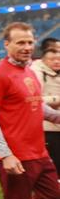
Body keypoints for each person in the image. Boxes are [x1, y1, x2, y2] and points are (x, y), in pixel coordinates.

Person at [0, 22, 60, 199]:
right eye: (20, 43)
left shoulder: (29, 71)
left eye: (30, 42)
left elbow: (36, 104)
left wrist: (57, 117)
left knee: (53, 195)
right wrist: (6, 154)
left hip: (39, 152)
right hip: (16, 156)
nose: (27, 47)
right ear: (7, 44)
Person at [31, 38, 60, 172]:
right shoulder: (36, 72)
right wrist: (57, 99)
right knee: (51, 167)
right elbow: (34, 99)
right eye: (53, 59)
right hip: (47, 128)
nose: (57, 61)